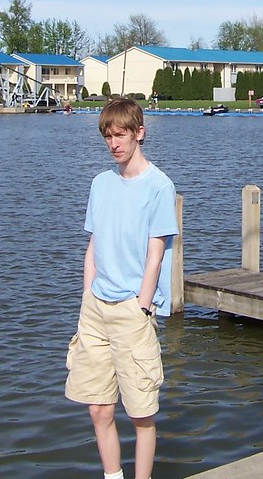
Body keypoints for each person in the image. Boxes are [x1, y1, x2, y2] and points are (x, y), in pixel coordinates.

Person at [65, 98, 178, 479]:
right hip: (95, 308)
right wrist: (87, 295)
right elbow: (94, 246)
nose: (114, 144)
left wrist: (142, 307)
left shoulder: (159, 186)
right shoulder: (101, 183)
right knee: (98, 409)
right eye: (108, 137)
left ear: (139, 134)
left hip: (132, 310)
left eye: (121, 135)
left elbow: (155, 255)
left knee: (141, 414)